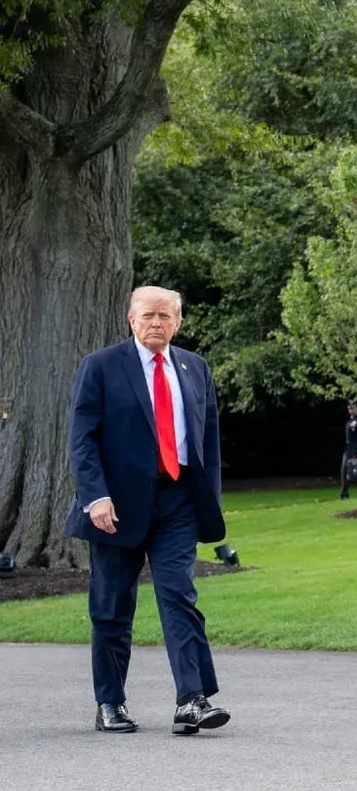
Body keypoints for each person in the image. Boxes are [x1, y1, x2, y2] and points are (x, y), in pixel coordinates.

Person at [66, 286, 230, 736]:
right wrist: (95, 496)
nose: (156, 323)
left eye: (165, 316)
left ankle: (192, 700)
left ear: (178, 322)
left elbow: (207, 441)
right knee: (113, 606)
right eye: (148, 316)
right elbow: (82, 438)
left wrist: (208, 500)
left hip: (177, 501)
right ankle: (110, 703)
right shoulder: (101, 366)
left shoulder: (194, 368)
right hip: (115, 506)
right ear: (131, 320)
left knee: (179, 595)